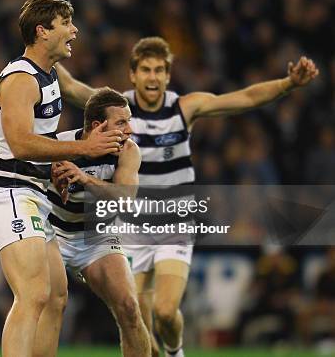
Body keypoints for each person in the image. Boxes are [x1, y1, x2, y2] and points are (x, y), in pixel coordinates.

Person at [123, 37, 319, 357]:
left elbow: (244, 97)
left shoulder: (184, 107)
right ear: (133, 75)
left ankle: (175, 352)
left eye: (159, 70)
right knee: (134, 318)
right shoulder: (116, 108)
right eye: (145, 70)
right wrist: (40, 57)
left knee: (165, 312)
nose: (153, 77)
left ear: (168, 76)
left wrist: (287, 84)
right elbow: (74, 89)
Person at [0, 0, 123, 357]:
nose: (74, 30)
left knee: (55, 296)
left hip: (32, 193)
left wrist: (129, 115)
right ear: (42, 32)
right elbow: (21, 144)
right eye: (66, 24)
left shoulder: (51, 74)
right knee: (33, 294)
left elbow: (81, 94)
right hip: (11, 191)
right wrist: (84, 150)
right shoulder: (20, 80)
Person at [0, 88, 151, 356]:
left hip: (96, 236)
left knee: (129, 308)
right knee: (42, 302)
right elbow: (12, 176)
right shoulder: (57, 146)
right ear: (98, 126)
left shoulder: (127, 151)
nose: (130, 130)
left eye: (129, 120)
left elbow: (126, 198)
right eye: (121, 122)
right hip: (52, 232)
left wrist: (85, 178)